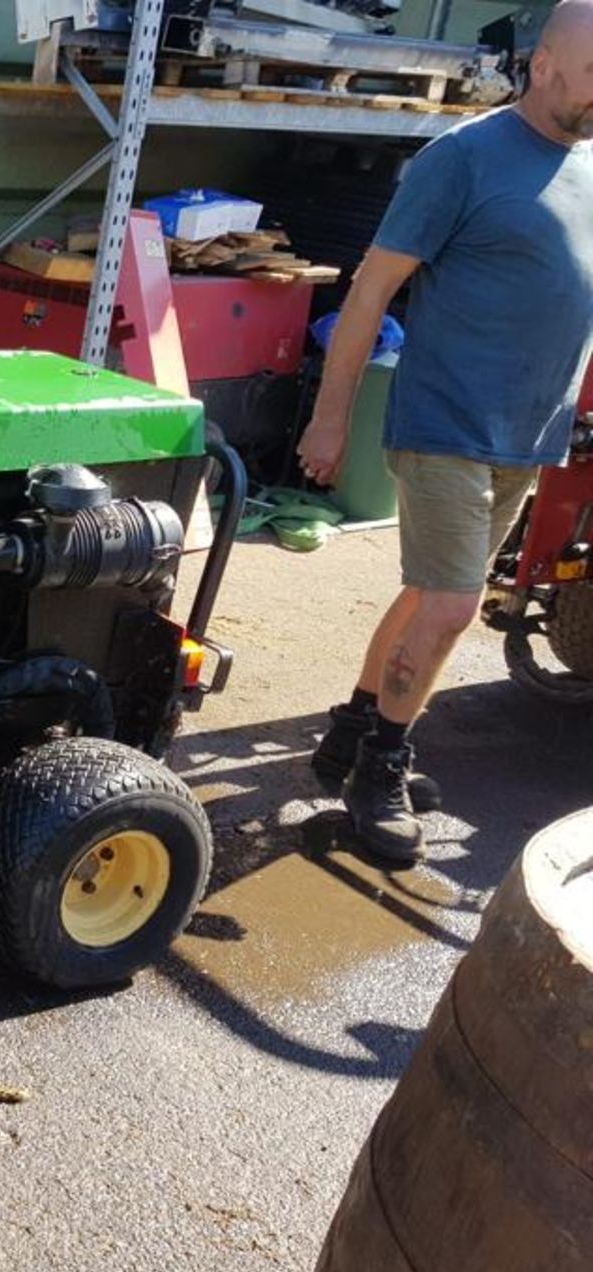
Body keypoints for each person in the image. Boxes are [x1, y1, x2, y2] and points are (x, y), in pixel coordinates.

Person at [296, 0, 593, 865]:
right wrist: (329, 417)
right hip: (446, 424)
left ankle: (354, 730)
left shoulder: (588, 162)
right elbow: (370, 291)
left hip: (527, 432)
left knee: (431, 593)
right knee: (457, 606)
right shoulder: (461, 159)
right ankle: (380, 770)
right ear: (543, 65)